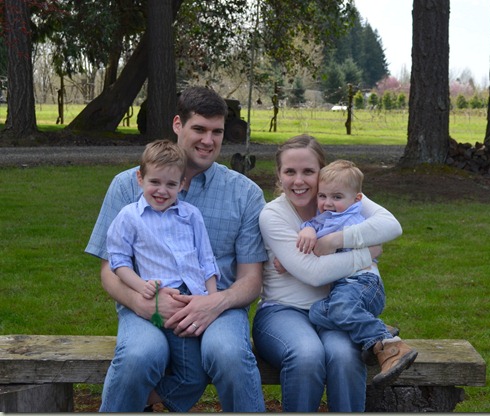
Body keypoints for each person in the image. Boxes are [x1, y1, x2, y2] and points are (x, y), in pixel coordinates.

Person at [85, 86, 268, 412]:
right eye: (199, 129)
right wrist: (142, 304)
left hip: (220, 305)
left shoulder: (245, 194)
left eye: (217, 132)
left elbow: (252, 280)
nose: (208, 141)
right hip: (146, 302)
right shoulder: (127, 185)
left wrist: (214, 303)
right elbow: (108, 270)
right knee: (139, 355)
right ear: (177, 124)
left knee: (230, 355)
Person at [252, 134, 403, 412]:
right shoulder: (273, 214)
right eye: (290, 172)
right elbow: (313, 273)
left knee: (345, 356)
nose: (299, 181)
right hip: (283, 311)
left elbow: (391, 226)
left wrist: (334, 240)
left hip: (333, 311)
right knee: (306, 355)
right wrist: (366, 253)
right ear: (279, 175)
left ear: (321, 172)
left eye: (308, 171)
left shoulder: (339, 195)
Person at [106, 140, 220, 405]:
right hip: (158, 298)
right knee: (187, 374)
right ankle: (125, 404)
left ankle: (135, 402)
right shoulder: (130, 217)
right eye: (154, 182)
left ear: (182, 184)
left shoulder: (191, 215)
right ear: (140, 178)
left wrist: (211, 299)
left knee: (196, 373)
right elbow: (118, 261)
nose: (162, 190)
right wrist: (141, 286)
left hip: (192, 301)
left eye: (171, 184)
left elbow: (206, 260)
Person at [289, 159, 418, 388]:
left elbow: (384, 231)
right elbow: (312, 228)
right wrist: (307, 230)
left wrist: (327, 241)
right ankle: (373, 328)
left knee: (339, 309)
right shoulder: (325, 217)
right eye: (322, 196)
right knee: (317, 312)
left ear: (357, 199)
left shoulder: (354, 219)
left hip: (363, 283)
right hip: (344, 288)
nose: (328, 203)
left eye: (337, 197)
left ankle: (392, 348)